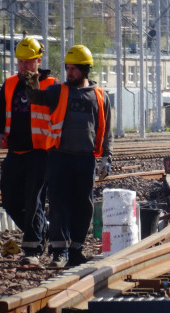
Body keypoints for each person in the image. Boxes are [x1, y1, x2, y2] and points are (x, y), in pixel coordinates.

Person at [26, 44, 113, 268]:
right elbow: (36, 98)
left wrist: (107, 157)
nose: (69, 72)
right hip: (59, 156)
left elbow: (107, 131)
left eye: (74, 69)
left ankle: (75, 250)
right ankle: (59, 252)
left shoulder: (100, 96)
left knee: (84, 206)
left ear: (85, 70)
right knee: (59, 205)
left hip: (86, 159)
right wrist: (32, 80)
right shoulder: (58, 91)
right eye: (67, 68)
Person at [0, 37, 58, 266]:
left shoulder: (51, 84)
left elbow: (58, 117)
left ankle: (33, 250)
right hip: (14, 152)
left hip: (40, 152)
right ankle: (43, 230)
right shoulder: (9, 84)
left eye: (29, 62)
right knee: (9, 200)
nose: (24, 66)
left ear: (38, 61)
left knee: (34, 201)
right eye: (20, 62)